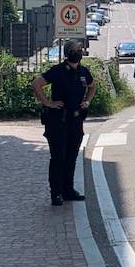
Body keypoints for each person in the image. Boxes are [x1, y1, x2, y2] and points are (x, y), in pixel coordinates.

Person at [31, 39, 96, 206]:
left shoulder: (83, 71)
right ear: (69, 53)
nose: (80, 52)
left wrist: (87, 102)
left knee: (72, 157)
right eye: (77, 50)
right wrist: (47, 102)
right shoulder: (58, 71)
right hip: (58, 121)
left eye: (80, 50)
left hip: (75, 121)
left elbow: (92, 86)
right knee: (58, 158)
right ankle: (56, 193)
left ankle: (68, 190)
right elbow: (37, 84)